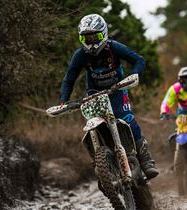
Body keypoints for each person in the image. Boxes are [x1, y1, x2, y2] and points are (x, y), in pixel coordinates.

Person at [60, 14, 158, 179]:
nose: (91, 42)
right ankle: (101, 164)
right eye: (86, 38)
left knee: (127, 119)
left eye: (95, 36)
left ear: (103, 34)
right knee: (93, 126)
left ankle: (146, 160)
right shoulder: (80, 55)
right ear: (81, 38)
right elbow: (69, 78)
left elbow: (139, 60)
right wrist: (63, 100)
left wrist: (133, 76)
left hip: (117, 90)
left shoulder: (114, 47)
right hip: (94, 94)